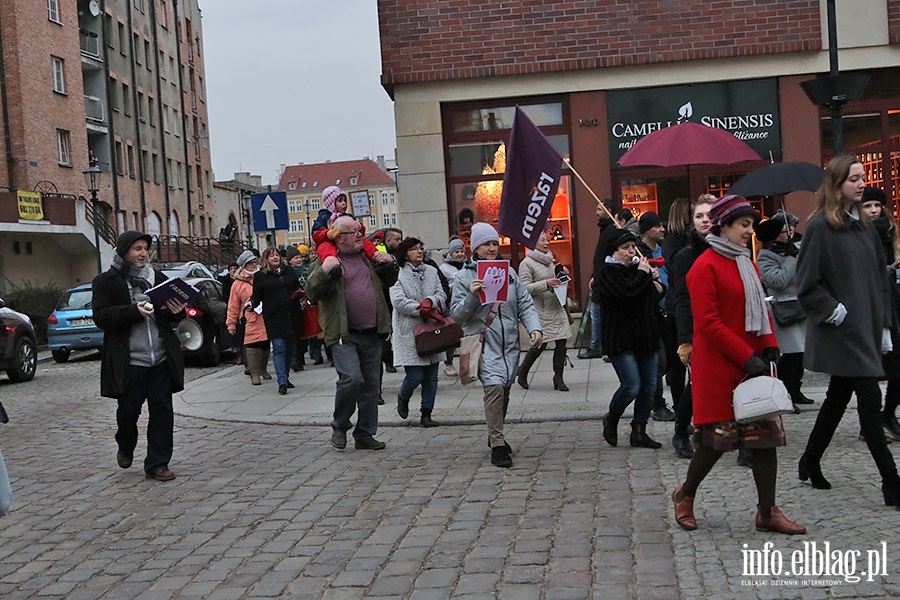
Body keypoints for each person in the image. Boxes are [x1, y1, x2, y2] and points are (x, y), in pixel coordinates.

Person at [672, 195, 805, 534]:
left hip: (752, 365)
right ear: (724, 226)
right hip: (719, 367)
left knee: (764, 439)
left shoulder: (747, 262)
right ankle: (685, 495)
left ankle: (767, 512)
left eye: (750, 225)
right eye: (744, 225)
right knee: (715, 442)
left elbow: (761, 307)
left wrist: (771, 345)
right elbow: (709, 324)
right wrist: (748, 357)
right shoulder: (703, 267)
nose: (750, 231)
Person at [796, 155, 900, 508]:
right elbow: (806, 283)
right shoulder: (820, 227)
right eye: (853, 178)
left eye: (862, 177)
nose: (861, 183)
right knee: (870, 401)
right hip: (842, 330)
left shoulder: (867, 228)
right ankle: (892, 482)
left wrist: (885, 326)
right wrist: (833, 311)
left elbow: (880, 280)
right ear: (837, 184)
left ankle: (810, 458)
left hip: (867, 328)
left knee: (838, 396)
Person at [92, 231, 186, 482]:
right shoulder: (107, 281)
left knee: (162, 413)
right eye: (137, 249)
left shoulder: (158, 279)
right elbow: (102, 316)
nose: (143, 253)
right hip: (130, 361)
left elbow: (172, 315)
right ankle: (125, 444)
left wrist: (177, 312)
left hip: (160, 360)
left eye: (145, 248)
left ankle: (158, 464)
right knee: (128, 413)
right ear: (124, 252)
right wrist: (134, 311)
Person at [449, 222, 542, 468]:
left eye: (494, 244)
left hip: (509, 342)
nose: (491, 248)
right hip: (483, 341)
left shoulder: (509, 273)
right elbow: (457, 316)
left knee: (505, 389)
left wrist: (534, 328)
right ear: (475, 247)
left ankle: (495, 434)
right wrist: (471, 295)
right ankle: (498, 444)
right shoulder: (464, 277)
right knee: (494, 390)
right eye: (486, 244)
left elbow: (524, 303)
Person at [306, 216, 398, 451]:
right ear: (339, 237)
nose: (360, 235)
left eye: (360, 231)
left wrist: (391, 263)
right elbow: (311, 292)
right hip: (343, 334)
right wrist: (325, 272)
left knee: (370, 386)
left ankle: (365, 434)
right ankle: (340, 424)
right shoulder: (327, 259)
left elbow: (390, 279)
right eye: (353, 232)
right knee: (351, 380)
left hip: (372, 331)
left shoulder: (369, 257)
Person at [597, 229, 665, 449]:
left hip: (646, 335)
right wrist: (644, 276)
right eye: (625, 248)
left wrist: (657, 284)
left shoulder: (640, 269)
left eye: (632, 247)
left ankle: (639, 430)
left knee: (649, 386)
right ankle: (612, 417)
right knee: (631, 386)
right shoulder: (607, 272)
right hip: (621, 338)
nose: (630, 251)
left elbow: (652, 297)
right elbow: (627, 293)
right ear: (614, 251)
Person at [669, 194, 716, 459]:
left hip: (724, 325)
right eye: (699, 216)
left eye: (709, 215)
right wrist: (686, 338)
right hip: (697, 327)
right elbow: (681, 300)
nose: (704, 220)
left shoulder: (726, 248)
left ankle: (741, 440)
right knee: (697, 384)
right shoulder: (685, 256)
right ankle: (680, 430)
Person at [755, 213, 813, 410]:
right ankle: (785, 393)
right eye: (783, 231)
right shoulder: (765, 256)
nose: (788, 234)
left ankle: (796, 390)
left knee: (800, 355)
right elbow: (777, 280)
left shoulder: (795, 248)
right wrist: (791, 258)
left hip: (800, 307)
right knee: (789, 355)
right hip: (783, 310)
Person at [390, 237, 447, 427]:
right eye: (414, 249)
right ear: (405, 253)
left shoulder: (431, 270)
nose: (419, 252)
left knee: (431, 375)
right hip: (409, 330)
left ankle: (426, 413)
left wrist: (431, 301)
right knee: (415, 375)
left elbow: (441, 293)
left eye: (421, 248)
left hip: (432, 329)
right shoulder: (397, 273)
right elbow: (398, 301)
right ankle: (403, 396)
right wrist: (419, 308)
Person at [860, 186, 900, 441]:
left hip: (893, 304)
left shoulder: (890, 232)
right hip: (869, 307)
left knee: (897, 367)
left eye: (876, 205)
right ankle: (870, 424)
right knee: (870, 371)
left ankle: (887, 413)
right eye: (867, 206)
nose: (874, 211)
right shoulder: (858, 234)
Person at [517, 230, 572, 391]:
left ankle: (558, 377)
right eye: (542, 240)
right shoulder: (526, 263)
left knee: (562, 342)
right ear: (533, 243)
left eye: (546, 240)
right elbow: (524, 288)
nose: (546, 243)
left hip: (556, 307)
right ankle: (523, 371)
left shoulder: (549, 260)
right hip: (540, 310)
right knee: (540, 345)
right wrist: (546, 283)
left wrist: (562, 275)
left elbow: (554, 279)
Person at [636, 211, 675, 422]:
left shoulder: (665, 249)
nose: (662, 229)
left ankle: (648, 395)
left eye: (663, 225)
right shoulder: (637, 253)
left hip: (667, 311)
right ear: (646, 230)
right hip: (649, 315)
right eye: (657, 226)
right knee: (658, 361)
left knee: (668, 361)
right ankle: (656, 404)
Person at [250, 247, 300, 395]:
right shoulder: (260, 276)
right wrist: (251, 304)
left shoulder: (288, 271)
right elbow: (256, 296)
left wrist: (300, 293)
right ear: (266, 259)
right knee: (279, 347)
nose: (275, 257)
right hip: (273, 317)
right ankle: (282, 381)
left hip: (291, 315)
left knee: (290, 348)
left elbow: (297, 286)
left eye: (277, 255)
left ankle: (286, 377)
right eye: (271, 256)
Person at [579, 199, 617, 360]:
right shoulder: (606, 230)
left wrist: (597, 276)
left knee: (598, 313)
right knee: (598, 313)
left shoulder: (610, 231)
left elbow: (605, 257)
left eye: (599, 209)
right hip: (600, 278)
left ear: (608, 210)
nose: (596, 212)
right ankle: (598, 345)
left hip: (604, 280)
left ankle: (597, 346)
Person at [226, 250, 270, 385]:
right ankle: (254, 373)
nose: (253, 265)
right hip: (249, 318)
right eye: (250, 263)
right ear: (244, 265)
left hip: (265, 316)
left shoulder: (262, 276)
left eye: (254, 262)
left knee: (265, 344)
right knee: (252, 345)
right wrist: (231, 323)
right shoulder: (237, 284)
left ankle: (263, 369)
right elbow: (233, 305)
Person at [312, 185, 383, 265]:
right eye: (340, 201)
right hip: (330, 241)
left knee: (365, 242)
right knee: (324, 247)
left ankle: (375, 255)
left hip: (348, 241)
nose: (344, 204)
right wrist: (327, 234)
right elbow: (316, 234)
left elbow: (361, 233)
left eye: (344, 201)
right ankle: (332, 263)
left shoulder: (348, 216)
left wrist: (359, 226)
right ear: (330, 202)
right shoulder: (324, 217)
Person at [439, 237, 467, 377]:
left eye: (461, 251)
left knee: (469, 334)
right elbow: (441, 286)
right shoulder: (444, 268)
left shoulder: (468, 265)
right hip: (451, 305)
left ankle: (470, 362)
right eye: (457, 252)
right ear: (451, 253)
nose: (460, 254)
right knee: (451, 335)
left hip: (468, 303)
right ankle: (448, 364)